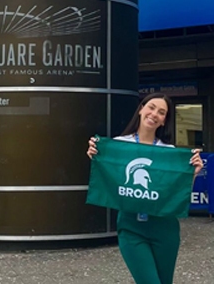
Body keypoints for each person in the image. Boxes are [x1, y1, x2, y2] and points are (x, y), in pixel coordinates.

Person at [86, 92, 203, 284]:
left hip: (165, 228)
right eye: (151, 107)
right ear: (141, 110)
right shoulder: (119, 145)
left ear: (164, 120)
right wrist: (97, 156)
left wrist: (194, 173)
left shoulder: (169, 152)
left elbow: (176, 195)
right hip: (131, 226)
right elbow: (108, 176)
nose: (154, 114)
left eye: (161, 112)